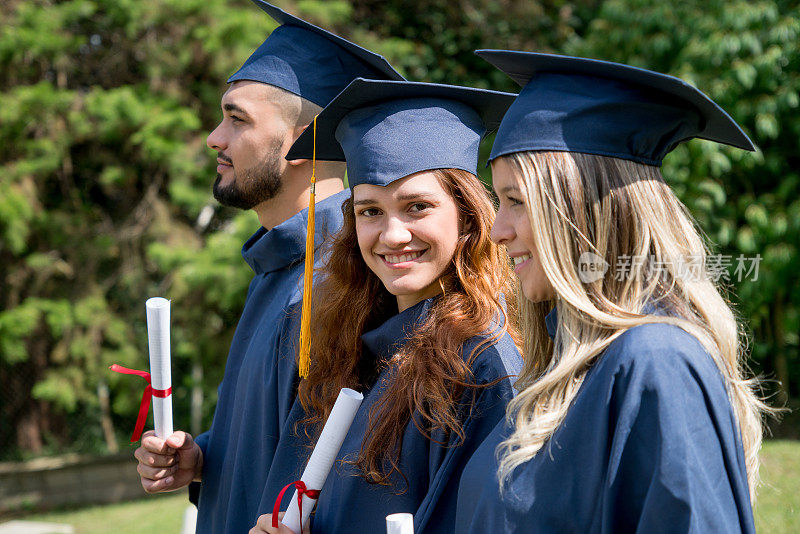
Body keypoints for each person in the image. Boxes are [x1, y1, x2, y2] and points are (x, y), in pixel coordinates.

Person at [455, 51, 769, 533]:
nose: (497, 230)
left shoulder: (656, 363)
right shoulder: (567, 368)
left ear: (585, 211)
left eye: (517, 200)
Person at [131, 2, 403, 533]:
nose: (215, 137)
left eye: (237, 120)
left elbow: (338, 477)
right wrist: (202, 458)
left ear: (304, 140)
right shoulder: (280, 269)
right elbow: (275, 442)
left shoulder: (340, 284)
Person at [248, 78, 522, 534]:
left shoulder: (480, 362)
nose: (392, 235)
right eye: (370, 210)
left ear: (467, 216)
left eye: (416, 206)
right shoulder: (355, 348)